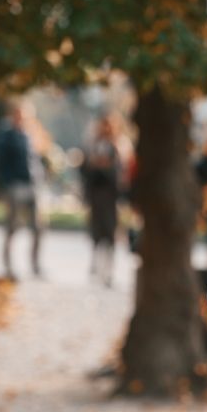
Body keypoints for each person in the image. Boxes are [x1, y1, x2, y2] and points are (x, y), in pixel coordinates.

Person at [0, 101, 46, 280]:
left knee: (38, 228)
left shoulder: (29, 135)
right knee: (12, 227)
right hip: (14, 185)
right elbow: (0, 162)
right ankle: (8, 266)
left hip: (31, 184)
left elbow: (35, 159)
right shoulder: (6, 135)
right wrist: (7, 183)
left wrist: (38, 178)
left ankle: (35, 265)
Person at [81, 115, 122, 287]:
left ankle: (109, 271)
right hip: (97, 196)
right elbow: (85, 171)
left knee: (110, 235)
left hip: (110, 197)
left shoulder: (116, 147)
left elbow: (119, 173)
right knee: (96, 235)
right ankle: (96, 267)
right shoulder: (92, 147)